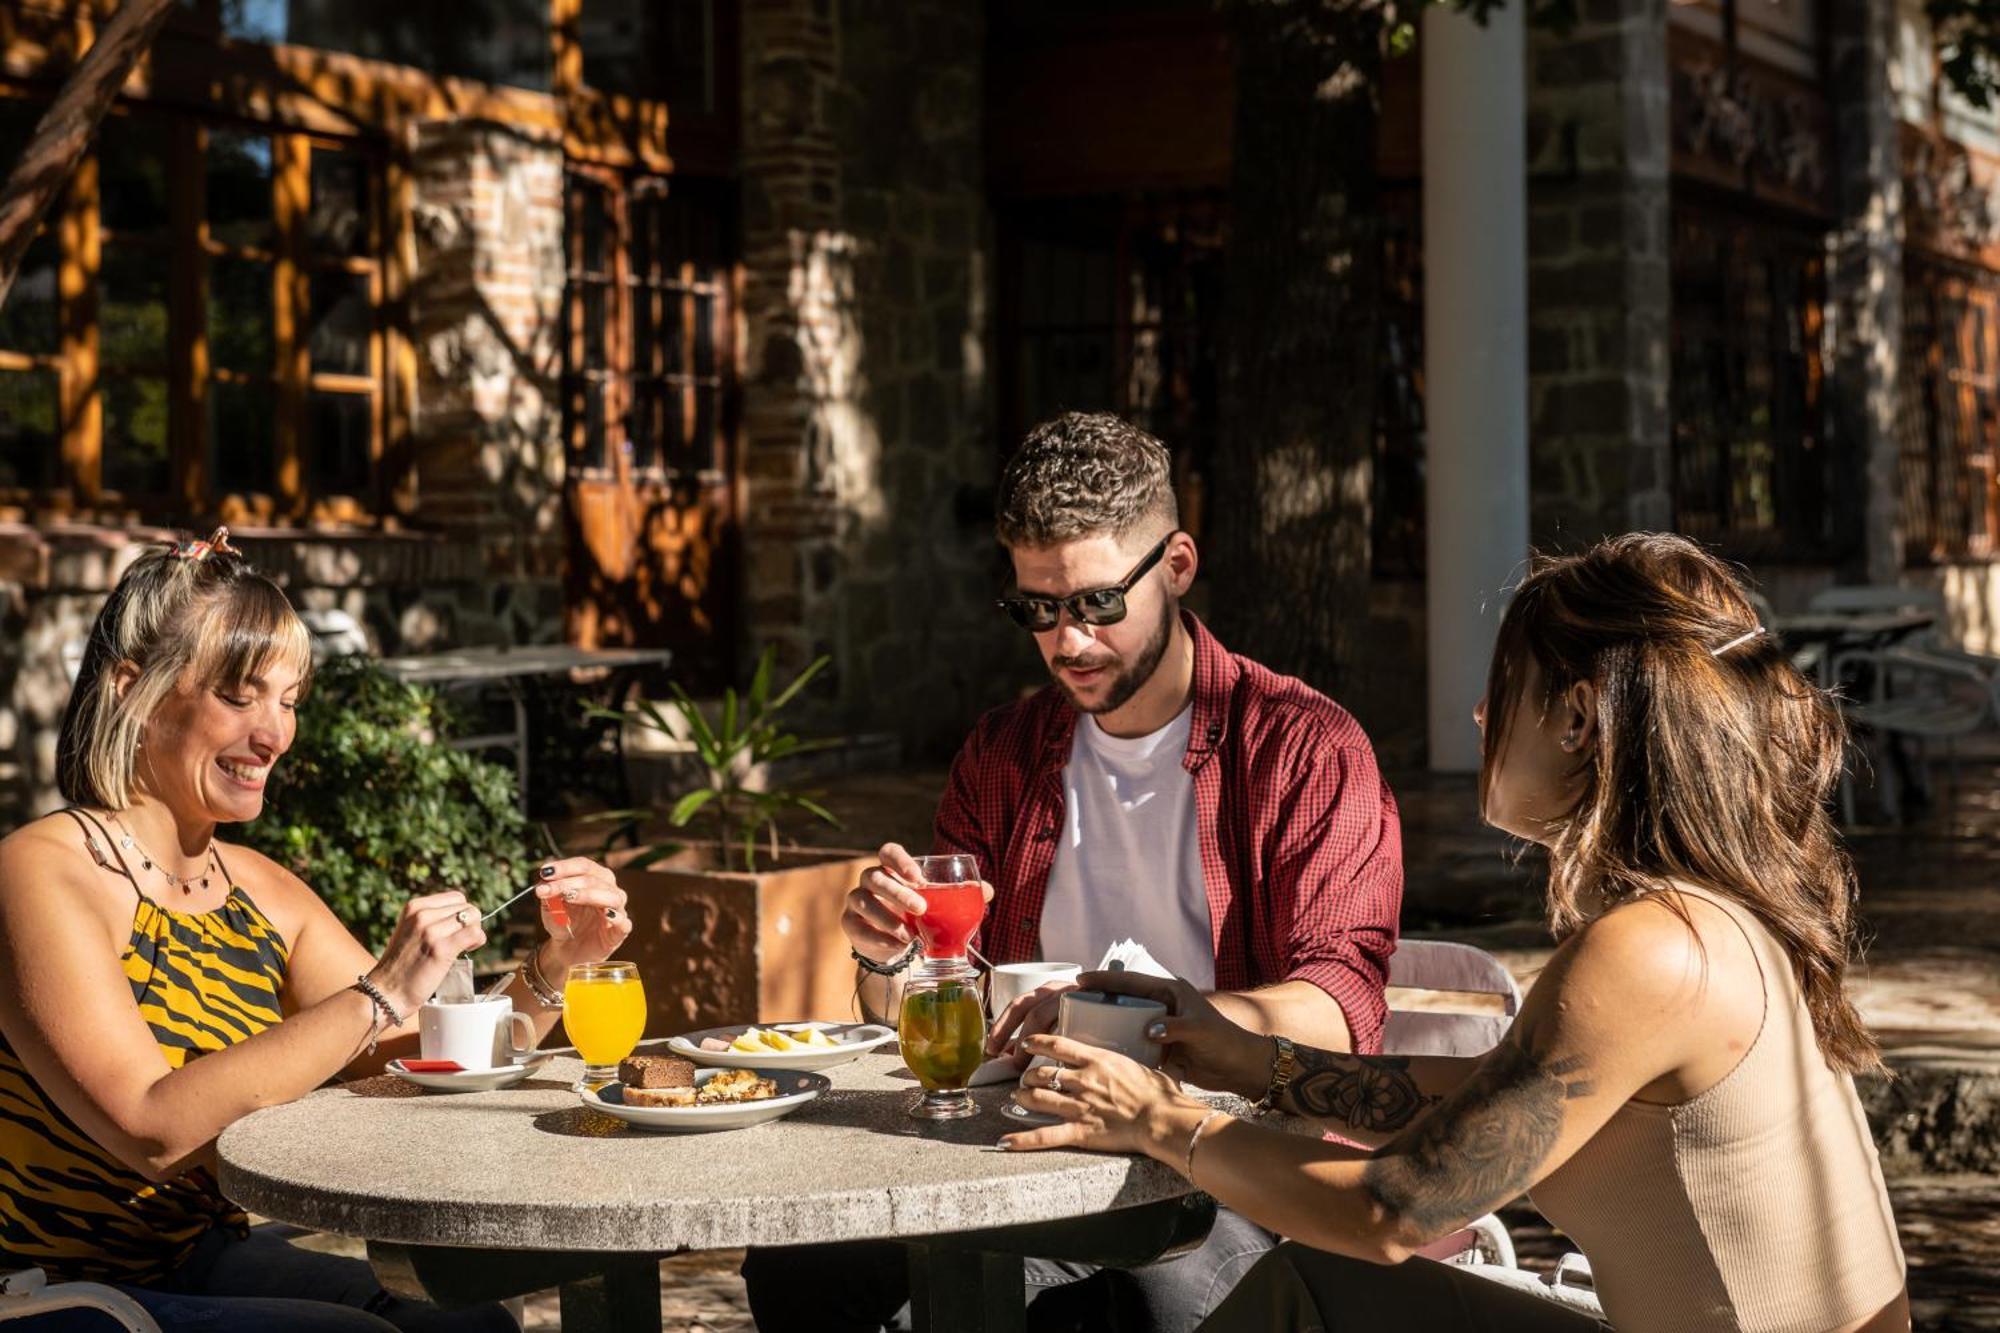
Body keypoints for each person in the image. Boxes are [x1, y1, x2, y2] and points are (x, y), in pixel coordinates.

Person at [1001, 532, 1910, 1333]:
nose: (1479, 716)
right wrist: (1247, 1059)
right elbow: (1487, 1099)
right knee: (1311, 1285)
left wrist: (1161, 1119)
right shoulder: (1708, 910)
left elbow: (1395, 1208)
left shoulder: (1653, 950)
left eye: (1500, 686)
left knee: (1310, 1288)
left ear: (1580, 717)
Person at [743, 412, 1404, 1331]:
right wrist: (897, 960)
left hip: (1228, 1158)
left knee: (999, 1306)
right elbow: (943, 1019)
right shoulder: (1003, 752)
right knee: (799, 1265)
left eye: (1096, 603)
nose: (1069, 642)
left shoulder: (1302, 747)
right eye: (1036, 609)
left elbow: (1341, 1008)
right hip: (1020, 1147)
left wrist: (1152, 1019)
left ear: (1176, 565)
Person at [0, 529, 635, 1333]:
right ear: (135, 690)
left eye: (289, 700)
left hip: (198, 1256)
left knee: (469, 1323)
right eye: (240, 697)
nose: (275, 734)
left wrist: (556, 964)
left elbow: (421, 1063)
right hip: (48, 1291)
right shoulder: (41, 870)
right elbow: (150, 1130)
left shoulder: (260, 889)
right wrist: (379, 989)